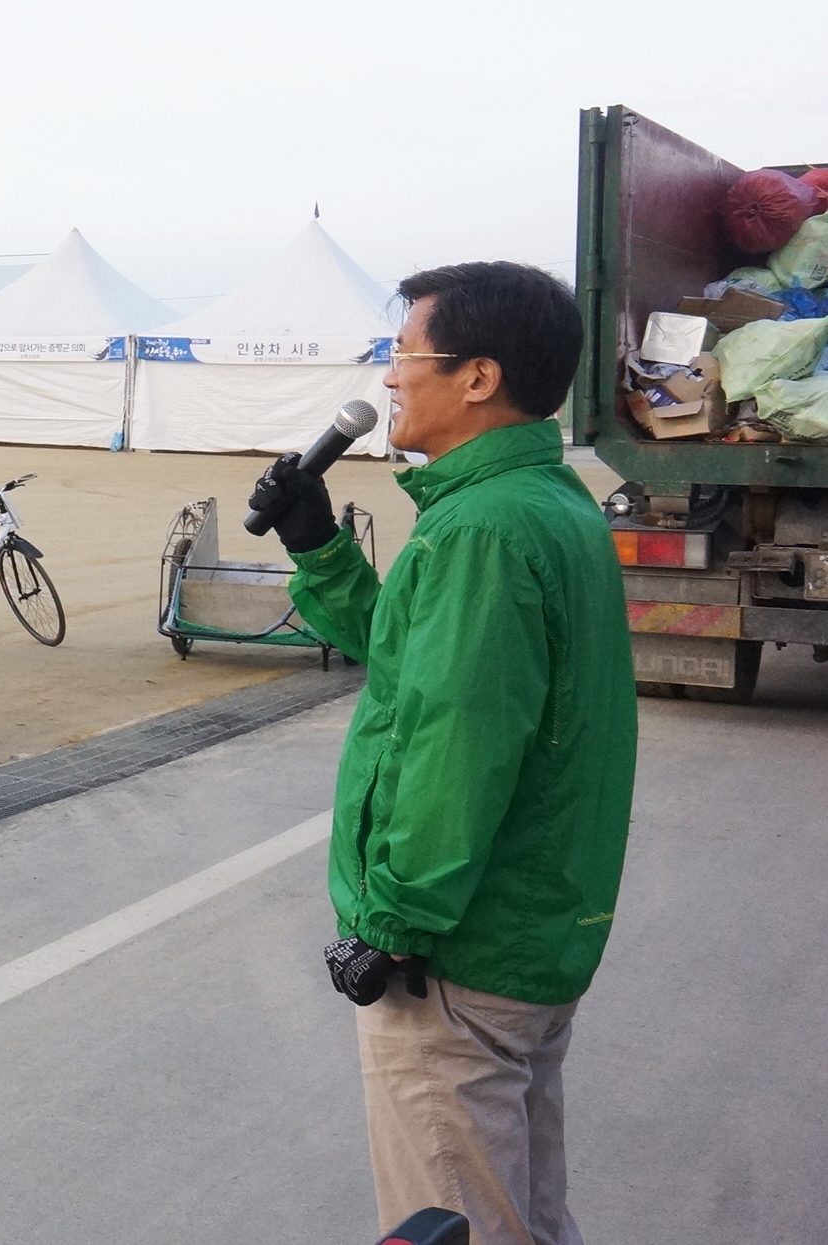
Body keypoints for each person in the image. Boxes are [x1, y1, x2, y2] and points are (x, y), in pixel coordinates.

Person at [247, 262, 631, 1245]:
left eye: (404, 355)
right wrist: (317, 544)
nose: (386, 379)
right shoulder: (539, 503)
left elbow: (457, 736)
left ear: (475, 379)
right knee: (519, 1210)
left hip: (456, 955)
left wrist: (396, 919)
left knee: (449, 1221)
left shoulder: (483, 531)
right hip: (526, 932)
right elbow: (410, 663)